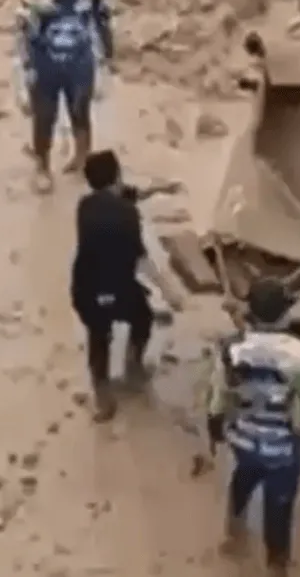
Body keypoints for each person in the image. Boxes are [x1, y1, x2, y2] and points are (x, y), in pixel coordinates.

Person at [207, 279, 300, 577]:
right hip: (283, 447)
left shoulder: (232, 348)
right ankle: (276, 563)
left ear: (251, 310)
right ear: (287, 313)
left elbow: (219, 393)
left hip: (244, 440)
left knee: (242, 481)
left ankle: (233, 536)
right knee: (279, 505)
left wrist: (214, 428)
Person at [71, 150, 184, 422]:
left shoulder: (85, 206)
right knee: (142, 318)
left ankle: (102, 396)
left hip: (86, 291)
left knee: (98, 338)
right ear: (118, 175)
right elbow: (142, 260)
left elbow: (124, 195)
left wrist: (156, 189)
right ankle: (134, 366)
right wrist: (168, 290)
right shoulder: (128, 215)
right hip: (120, 288)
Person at [14, 0, 114, 194]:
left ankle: (82, 159)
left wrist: (107, 57)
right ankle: (42, 167)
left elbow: (102, 19)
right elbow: (23, 35)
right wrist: (24, 74)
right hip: (45, 64)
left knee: (80, 112)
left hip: (80, 62)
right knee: (44, 118)